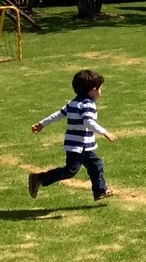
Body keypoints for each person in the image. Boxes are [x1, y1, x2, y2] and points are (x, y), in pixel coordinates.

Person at [28, 69, 116, 201]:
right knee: (70, 170)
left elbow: (57, 115)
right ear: (93, 90)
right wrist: (104, 132)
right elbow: (88, 122)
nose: (101, 91)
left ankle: (100, 191)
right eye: (100, 88)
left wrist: (42, 124)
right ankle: (39, 178)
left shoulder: (73, 102)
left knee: (96, 165)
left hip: (79, 145)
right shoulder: (88, 104)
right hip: (79, 146)